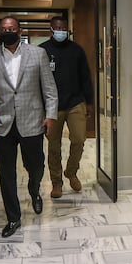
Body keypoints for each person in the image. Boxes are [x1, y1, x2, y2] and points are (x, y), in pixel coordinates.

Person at [0, 16, 58, 237]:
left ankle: (34, 190)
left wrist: (50, 115)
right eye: (3, 29)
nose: (7, 31)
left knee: (36, 166)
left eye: (11, 28)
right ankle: (13, 218)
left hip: (32, 120)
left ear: (19, 30)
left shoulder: (37, 54)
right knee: (7, 174)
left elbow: (50, 89)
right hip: (1, 123)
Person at [39, 16, 94, 198]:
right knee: (53, 146)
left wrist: (90, 102)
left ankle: (71, 172)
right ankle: (56, 182)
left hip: (75, 102)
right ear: (51, 30)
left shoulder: (76, 50)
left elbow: (86, 76)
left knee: (79, 139)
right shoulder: (43, 51)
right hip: (52, 106)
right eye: (58, 28)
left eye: (64, 28)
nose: (61, 30)